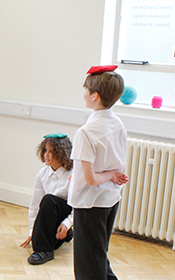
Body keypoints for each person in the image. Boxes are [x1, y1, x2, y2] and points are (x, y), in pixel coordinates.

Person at [68, 65, 129, 280]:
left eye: (85, 88)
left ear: (94, 96)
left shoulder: (85, 132)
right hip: (110, 199)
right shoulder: (118, 123)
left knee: (88, 266)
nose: (83, 91)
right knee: (98, 255)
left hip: (90, 203)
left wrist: (110, 175)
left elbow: (91, 178)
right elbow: (111, 162)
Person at [20, 133, 74, 265]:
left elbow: (79, 206)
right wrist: (32, 232)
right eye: (45, 150)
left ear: (62, 153)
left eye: (52, 152)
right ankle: (66, 235)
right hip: (51, 214)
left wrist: (67, 223)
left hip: (67, 211)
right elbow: (35, 205)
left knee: (49, 200)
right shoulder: (42, 174)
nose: (46, 155)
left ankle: (44, 251)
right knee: (47, 202)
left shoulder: (74, 174)